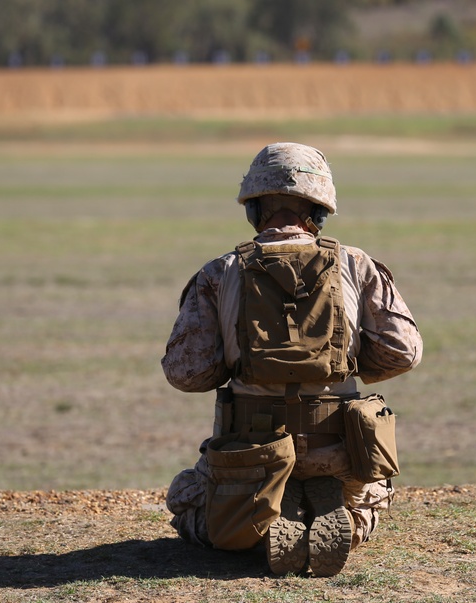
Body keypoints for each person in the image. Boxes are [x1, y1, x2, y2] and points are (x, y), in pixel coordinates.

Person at [162, 142, 422, 577]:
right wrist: (346, 362)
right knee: (374, 498)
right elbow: (403, 351)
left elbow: (186, 373)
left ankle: (265, 523)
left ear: (254, 208)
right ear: (319, 211)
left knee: (185, 496)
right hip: (341, 452)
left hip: (250, 454)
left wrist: (237, 362)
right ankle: (344, 516)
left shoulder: (219, 272)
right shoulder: (357, 265)